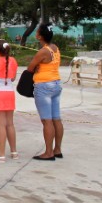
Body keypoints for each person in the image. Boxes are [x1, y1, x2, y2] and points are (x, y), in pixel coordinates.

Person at [28, 24, 64, 161]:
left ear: (40, 36)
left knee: (46, 121)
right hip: (56, 84)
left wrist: (36, 67)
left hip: (43, 86)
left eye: (37, 32)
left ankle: (48, 152)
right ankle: (57, 149)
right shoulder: (55, 48)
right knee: (56, 119)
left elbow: (30, 67)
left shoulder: (42, 52)